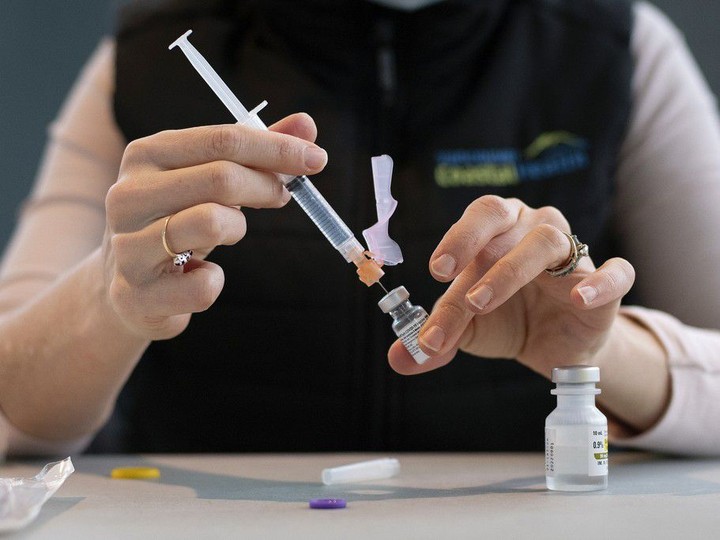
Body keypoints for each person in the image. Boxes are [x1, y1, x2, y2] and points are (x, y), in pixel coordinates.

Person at [0, 0, 718, 457]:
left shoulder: (609, 46)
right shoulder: (149, 56)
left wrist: (599, 350)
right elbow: (10, 407)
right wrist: (110, 301)